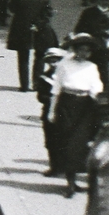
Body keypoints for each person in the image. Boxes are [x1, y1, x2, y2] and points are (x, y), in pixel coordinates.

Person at [49, 33, 105, 197]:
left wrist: (98, 101)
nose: (84, 54)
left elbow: (96, 87)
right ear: (75, 50)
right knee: (67, 141)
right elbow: (56, 89)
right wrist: (52, 110)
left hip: (85, 106)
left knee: (79, 142)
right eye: (81, 50)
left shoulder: (91, 67)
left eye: (87, 51)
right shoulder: (64, 65)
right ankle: (70, 182)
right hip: (67, 104)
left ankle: (77, 180)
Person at [8, 0, 56, 92]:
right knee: (39, 56)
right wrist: (38, 24)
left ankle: (24, 85)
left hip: (21, 29)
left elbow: (12, 9)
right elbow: (48, 14)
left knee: (23, 58)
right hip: (40, 30)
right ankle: (37, 84)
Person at [37, 47, 69, 176]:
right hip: (49, 112)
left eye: (56, 60)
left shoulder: (67, 77)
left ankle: (64, 167)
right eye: (50, 61)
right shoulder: (45, 77)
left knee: (65, 140)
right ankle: (54, 166)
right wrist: (51, 98)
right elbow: (40, 96)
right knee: (50, 141)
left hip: (65, 112)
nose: (53, 64)